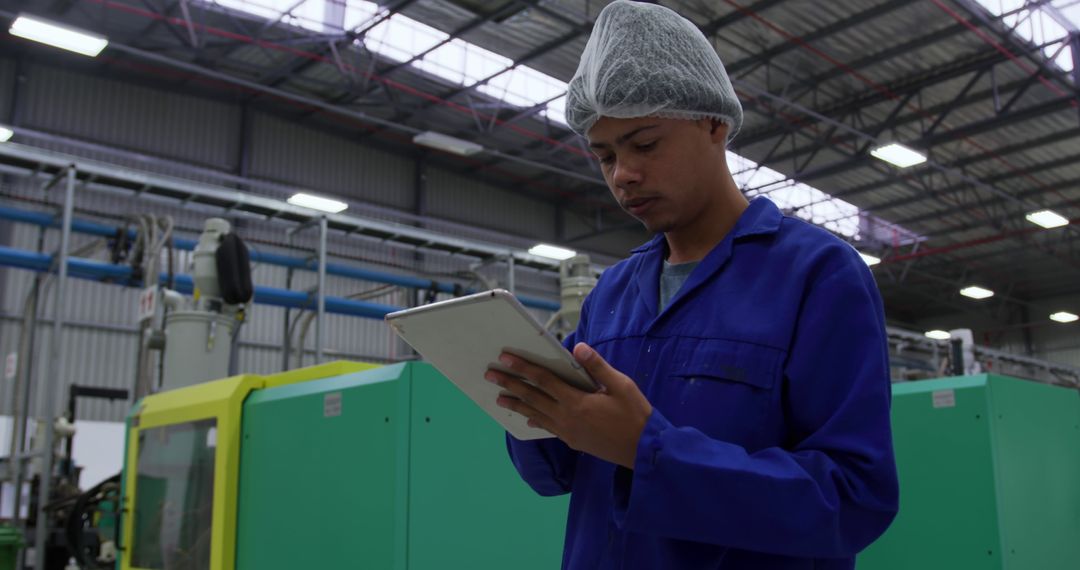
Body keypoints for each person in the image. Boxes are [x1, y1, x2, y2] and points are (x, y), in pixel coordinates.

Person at [483, 1, 899, 569]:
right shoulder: (613, 292)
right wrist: (533, 411)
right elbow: (557, 475)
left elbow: (853, 500)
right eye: (604, 156)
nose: (623, 174)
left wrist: (649, 451)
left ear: (714, 124)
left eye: (645, 144)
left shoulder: (817, 275)